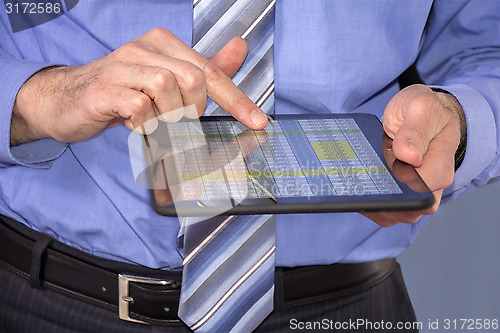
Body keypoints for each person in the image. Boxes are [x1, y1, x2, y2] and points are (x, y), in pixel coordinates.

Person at [0, 1, 499, 332]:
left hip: (341, 310)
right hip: (45, 301)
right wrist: (36, 96)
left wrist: (460, 121)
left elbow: (487, 49)